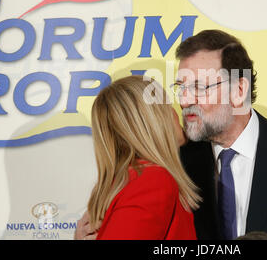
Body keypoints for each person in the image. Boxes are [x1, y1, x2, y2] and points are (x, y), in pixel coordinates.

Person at [76, 30, 267, 240]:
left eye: (199, 87)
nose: (184, 100)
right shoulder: (173, 164)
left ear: (238, 90)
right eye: (182, 87)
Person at [82, 75, 200, 239]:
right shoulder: (153, 181)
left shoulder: (130, 181)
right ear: (154, 120)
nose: (177, 112)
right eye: (168, 105)